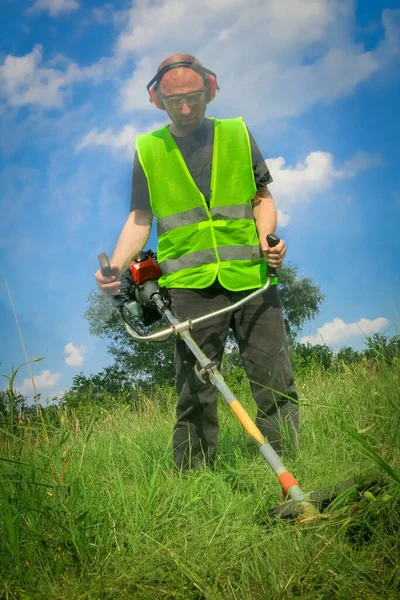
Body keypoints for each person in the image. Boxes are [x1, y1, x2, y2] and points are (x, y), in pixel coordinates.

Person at [95, 53, 299, 469]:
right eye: (175, 101)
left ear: (210, 90)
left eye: (193, 97)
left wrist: (267, 240)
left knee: (274, 378)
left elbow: (262, 199)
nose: (185, 109)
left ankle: (291, 463)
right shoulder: (148, 149)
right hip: (187, 286)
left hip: (252, 276)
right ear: (157, 100)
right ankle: (193, 477)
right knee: (194, 389)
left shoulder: (238, 134)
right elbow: (140, 218)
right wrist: (115, 267)